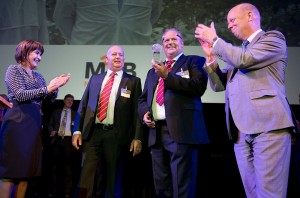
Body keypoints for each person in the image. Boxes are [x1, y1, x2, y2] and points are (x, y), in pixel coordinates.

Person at [194, 3, 297, 198]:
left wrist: (215, 40)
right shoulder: (240, 51)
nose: (230, 25)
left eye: (232, 20)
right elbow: (219, 85)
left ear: (250, 16)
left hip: (268, 127)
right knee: (253, 195)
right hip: (240, 132)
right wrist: (210, 58)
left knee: (270, 195)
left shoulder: (273, 39)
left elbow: (245, 60)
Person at [138, 28, 209, 198]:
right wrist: (144, 114)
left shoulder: (195, 61)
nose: (169, 42)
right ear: (162, 46)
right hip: (156, 132)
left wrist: (166, 76)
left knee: (182, 185)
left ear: (182, 43)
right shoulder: (152, 71)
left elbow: (198, 87)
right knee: (161, 185)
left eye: (174, 38)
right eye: (165, 40)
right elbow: (142, 99)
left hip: (182, 131)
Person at [0, 40, 70, 198]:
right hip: (17, 123)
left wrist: (56, 86)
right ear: (25, 52)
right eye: (37, 53)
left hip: (34, 123)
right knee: (10, 172)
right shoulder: (14, 70)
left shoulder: (38, 76)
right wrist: (48, 88)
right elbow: (20, 94)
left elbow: (47, 99)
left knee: (26, 172)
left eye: (41, 54)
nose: (40, 57)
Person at [72, 45, 143, 198]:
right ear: (106, 59)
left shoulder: (133, 81)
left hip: (116, 135)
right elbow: (83, 105)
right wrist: (76, 130)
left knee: (113, 178)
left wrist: (137, 137)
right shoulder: (95, 78)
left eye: (121, 55)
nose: (118, 57)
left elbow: (137, 112)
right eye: (114, 54)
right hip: (92, 134)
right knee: (86, 176)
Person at [53, 0, 162, 45]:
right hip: (86, 54)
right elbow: (62, 16)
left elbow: (153, 13)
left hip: (134, 54)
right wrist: (80, 42)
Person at [48, 94, 81, 197]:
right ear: (64, 101)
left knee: (68, 168)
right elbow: (50, 125)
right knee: (55, 167)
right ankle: (54, 191)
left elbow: (78, 128)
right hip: (57, 140)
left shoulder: (76, 114)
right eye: (68, 100)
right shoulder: (56, 112)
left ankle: (67, 192)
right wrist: (51, 131)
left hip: (68, 141)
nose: (70, 102)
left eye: (72, 101)